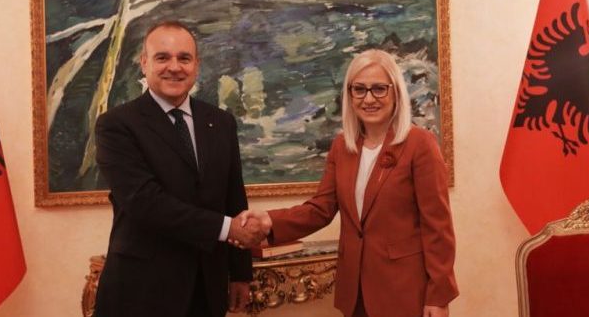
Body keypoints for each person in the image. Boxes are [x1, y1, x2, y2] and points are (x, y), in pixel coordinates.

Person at [237, 49, 458, 317]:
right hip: (355, 292)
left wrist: (438, 296)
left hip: (404, 291)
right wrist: (269, 221)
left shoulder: (420, 144)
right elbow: (320, 209)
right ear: (350, 94)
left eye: (379, 89)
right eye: (359, 89)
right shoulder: (342, 147)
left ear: (396, 93)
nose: (369, 98)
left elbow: (437, 228)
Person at [93, 21, 263, 317]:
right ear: (144, 63)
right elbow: (144, 201)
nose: (174, 67)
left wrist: (240, 273)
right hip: (141, 291)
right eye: (162, 57)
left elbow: (234, 197)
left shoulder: (221, 122)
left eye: (184, 58)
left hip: (207, 286)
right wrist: (226, 228)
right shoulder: (116, 125)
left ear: (196, 65)